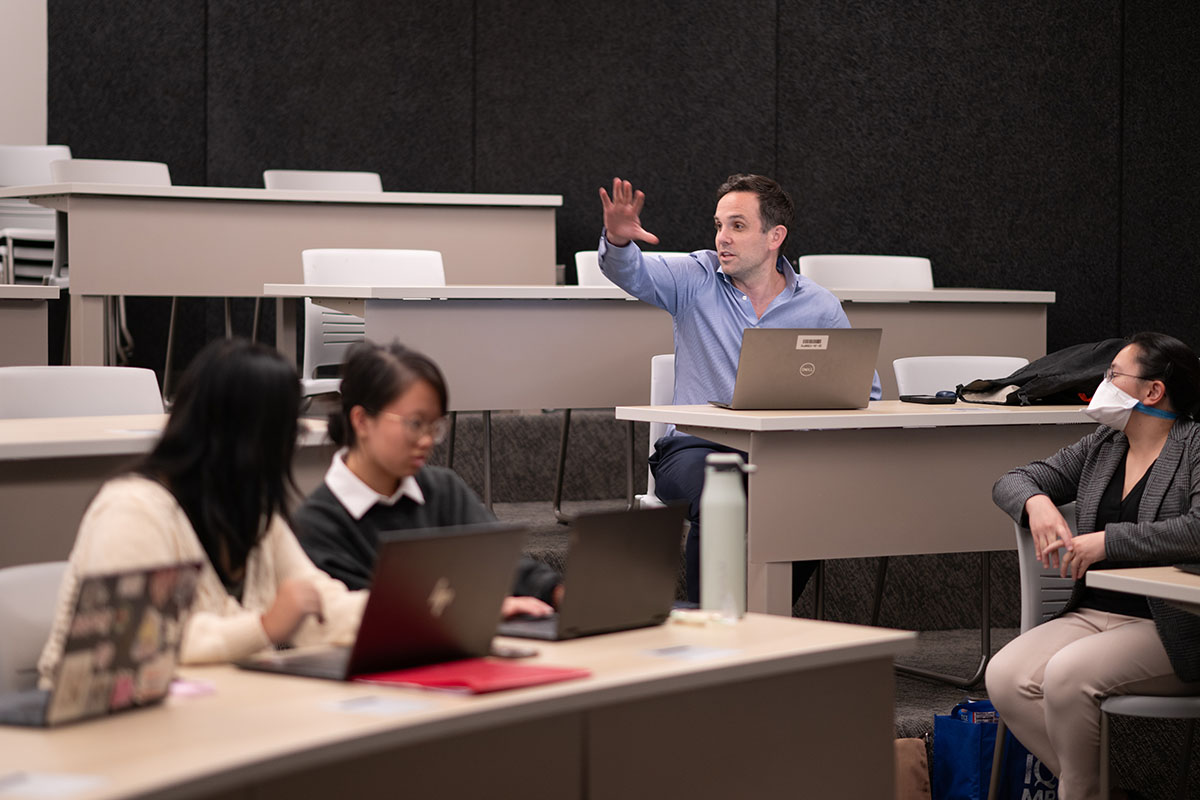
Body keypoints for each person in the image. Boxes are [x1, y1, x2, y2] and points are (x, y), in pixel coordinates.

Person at [597, 174, 882, 604]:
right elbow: (631, 272)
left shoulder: (819, 305)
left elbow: (861, 392)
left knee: (814, 501)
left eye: (737, 226)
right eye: (718, 225)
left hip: (783, 452)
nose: (722, 238)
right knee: (721, 493)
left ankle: (764, 611)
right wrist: (618, 243)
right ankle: (708, 626)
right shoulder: (695, 278)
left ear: (775, 236)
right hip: (696, 449)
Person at [39, 340, 366, 683]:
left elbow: (321, 604)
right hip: (99, 725)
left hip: (209, 712)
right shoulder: (133, 509)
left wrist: (409, 616)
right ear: (244, 438)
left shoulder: (252, 514)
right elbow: (134, 643)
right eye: (283, 435)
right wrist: (264, 627)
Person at [987, 332, 1200, 800]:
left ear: (1153, 391)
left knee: (1065, 674)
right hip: (1093, 613)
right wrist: (1038, 503)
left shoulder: (1195, 447)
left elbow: (1196, 530)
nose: (1103, 383)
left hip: (1170, 620)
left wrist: (1109, 542)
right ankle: (1100, 790)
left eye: (1113, 375)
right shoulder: (1105, 443)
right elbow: (1013, 480)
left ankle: (1082, 791)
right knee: (1005, 677)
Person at [292, 340, 559, 617]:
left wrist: (557, 591)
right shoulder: (317, 524)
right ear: (361, 420)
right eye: (416, 423)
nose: (427, 440)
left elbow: (501, 561)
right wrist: (477, 607)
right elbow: (367, 617)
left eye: (435, 426)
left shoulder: (442, 489)